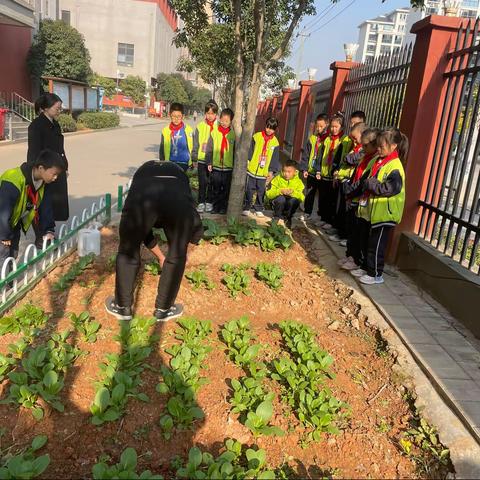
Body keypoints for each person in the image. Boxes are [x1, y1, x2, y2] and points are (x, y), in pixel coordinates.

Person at [105, 161, 204, 322]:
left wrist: (162, 256)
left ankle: (122, 307)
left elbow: (140, 232)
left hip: (142, 197)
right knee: (177, 254)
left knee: (127, 250)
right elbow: (197, 229)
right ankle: (164, 310)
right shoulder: (181, 186)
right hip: (176, 200)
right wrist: (180, 254)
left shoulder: (141, 180)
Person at [355, 127, 408, 285]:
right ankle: (366, 268)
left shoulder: (395, 167)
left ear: (393, 147)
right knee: (367, 242)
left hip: (386, 213)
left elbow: (389, 189)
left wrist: (372, 184)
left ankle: (376, 273)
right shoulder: (379, 161)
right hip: (374, 211)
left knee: (376, 246)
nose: (378, 149)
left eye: (381, 147)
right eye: (377, 146)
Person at [0, 149, 65, 268]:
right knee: (2, 256)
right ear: (41, 168)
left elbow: (45, 208)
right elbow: (3, 209)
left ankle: (8, 283)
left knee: (12, 254)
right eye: (54, 174)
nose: (55, 178)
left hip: (13, 223)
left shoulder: (42, 183)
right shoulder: (13, 180)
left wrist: (48, 230)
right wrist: (3, 234)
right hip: (2, 225)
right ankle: (4, 284)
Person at [27, 93, 69, 247]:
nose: (59, 110)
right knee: (43, 203)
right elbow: (33, 152)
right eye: (57, 108)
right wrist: (38, 173)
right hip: (43, 170)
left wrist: (64, 166)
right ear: (45, 108)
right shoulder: (36, 126)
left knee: (52, 202)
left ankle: (49, 233)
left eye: (60, 108)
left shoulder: (55, 125)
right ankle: (42, 236)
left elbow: (60, 148)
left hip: (55, 169)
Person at [339, 128, 380, 273]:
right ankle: (350, 255)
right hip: (353, 198)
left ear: (374, 145)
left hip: (360, 201)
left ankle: (357, 259)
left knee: (358, 234)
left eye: (365, 145)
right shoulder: (365, 157)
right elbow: (356, 174)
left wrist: (350, 191)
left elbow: (363, 182)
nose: (362, 148)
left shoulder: (374, 160)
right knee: (351, 230)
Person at [329, 122, 367, 244]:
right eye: (352, 139)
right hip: (344, 180)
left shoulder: (363, 150)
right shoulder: (354, 147)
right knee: (341, 209)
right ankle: (340, 233)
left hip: (352, 184)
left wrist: (348, 158)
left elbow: (350, 159)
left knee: (348, 213)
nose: (354, 142)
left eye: (355, 139)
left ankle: (346, 236)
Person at [315, 114, 350, 230]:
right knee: (323, 198)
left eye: (336, 127)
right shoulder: (328, 139)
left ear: (342, 127)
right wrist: (319, 170)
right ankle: (323, 218)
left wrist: (337, 171)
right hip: (325, 173)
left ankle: (330, 220)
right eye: (332, 127)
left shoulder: (344, 140)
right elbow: (320, 155)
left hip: (334, 175)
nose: (333, 129)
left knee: (332, 200)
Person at [242, 117, 280, 218]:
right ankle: (246, 207)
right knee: (249, 189)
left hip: (264, 172)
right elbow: (250, 150)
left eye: (272, 128)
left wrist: (271, 171)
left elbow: (275, 158)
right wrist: (248, 162)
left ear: (275, 130)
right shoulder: (256, 136)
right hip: (252, 169)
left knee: (261, 191)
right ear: (265, 125)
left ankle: (258, 208)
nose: (269, 130)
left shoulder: (275, 143)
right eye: (267, 127)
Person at [205, 108, 235, 215]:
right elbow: (209, 148)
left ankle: (223, 207)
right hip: (216, 167)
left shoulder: (234, 135)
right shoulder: (214, 133)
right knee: (216, 188)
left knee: (225, 189)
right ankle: (215, 207)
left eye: (227, 121)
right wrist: (209, 162)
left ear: (231, 121)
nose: (224, 123)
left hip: (228, 168)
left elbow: (235, 151)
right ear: (219, 119)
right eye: (222, 120)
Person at [300, 114, 329, 221]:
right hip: (311, 172)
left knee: (322, 196)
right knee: (309, 193)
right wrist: (304, 168)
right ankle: (307, 212)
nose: (319, 128)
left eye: (321, 126)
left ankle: (321, 216)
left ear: (327, 125)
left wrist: (319, 171)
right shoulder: (312, 138)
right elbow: (306, 154)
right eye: (317, 126)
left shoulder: (328, 140)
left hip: (322, 173)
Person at [192, 100, 218, 213]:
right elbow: (196, 143)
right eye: (208, 113)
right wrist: (194, 157)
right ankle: (201, 202)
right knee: (202, 183)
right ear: (205, 113)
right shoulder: (200, 126)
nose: (210, 116)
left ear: (216, 114)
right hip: (202, 160)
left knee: (212, 182)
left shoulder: (219, 126)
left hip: (214, 161)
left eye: (212, 113)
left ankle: (209, 202)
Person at [266, 160, 305, 229]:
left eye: (289, 172)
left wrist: (293, 193)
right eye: (284, 171)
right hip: (279, 203)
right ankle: (277, 216)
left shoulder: (299, 182)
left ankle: (288, 218)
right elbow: (269, 194)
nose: (286, 174)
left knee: (293, 201)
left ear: (295, 172)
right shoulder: (278, 179)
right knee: (281, 199)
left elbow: (302, 197)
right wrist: (280, 191)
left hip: (289, 204)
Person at [159, 103, 194, 171]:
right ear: (170, 115)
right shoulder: (165, 130)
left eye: (178, 116)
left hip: (185, 165)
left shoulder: (189, 130)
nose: (176, 119)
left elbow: (193, 148)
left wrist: (193, 162)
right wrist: (162, 163)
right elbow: (162, 149)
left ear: (183, 116)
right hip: (170, 164)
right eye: (174, 116)